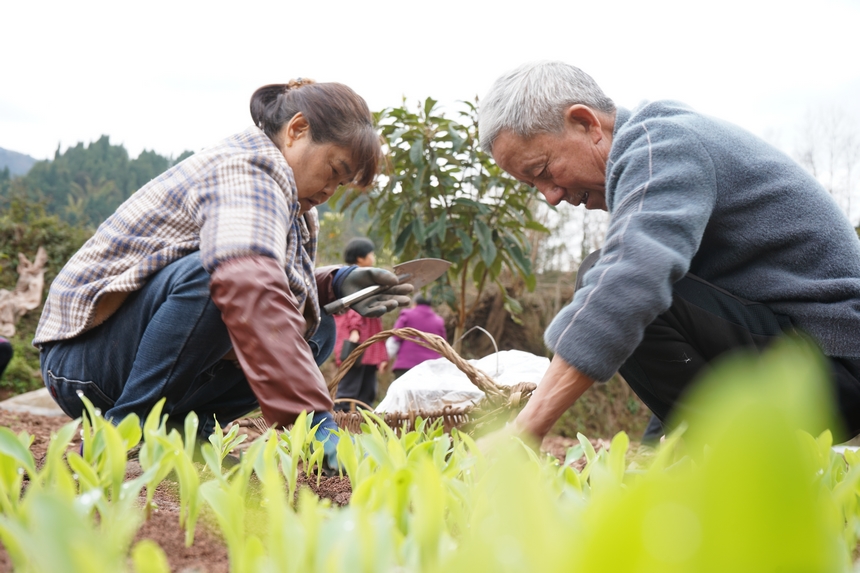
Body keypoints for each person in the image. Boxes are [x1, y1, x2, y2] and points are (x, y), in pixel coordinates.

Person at [34, 79, 412, 466]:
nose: (332, 188)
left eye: (342, 183)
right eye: (334, 169)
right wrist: (314, 419)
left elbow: (272, 281)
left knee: (317, 326)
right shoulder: (248, 168)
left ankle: (184, 431)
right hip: (81, 362)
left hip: (126, 355)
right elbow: (246, 281)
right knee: (214, 278)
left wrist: (333, 283)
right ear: (297, 130)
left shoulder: (293, 203)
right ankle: (126, 430)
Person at [478, 61, 860, 444]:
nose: (551, 196)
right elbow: (690, 344)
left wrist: (525, 429)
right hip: (808, 357)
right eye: (534, 185)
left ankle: (744, 462)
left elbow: (633, 284)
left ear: (587, 123)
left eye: (543, 170)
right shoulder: (658, 153)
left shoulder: (662, 146)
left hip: (833, 365)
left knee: (610, 277)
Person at [332, 238, 389, 410]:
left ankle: (362, 428)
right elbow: (353, 307)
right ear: (360, 258)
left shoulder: (366, 278)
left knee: (367, 390)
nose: (373, 257)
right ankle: (339, 426)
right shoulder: (352, 276)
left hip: (368, 343)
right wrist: (354, 331)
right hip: (358, 339)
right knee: (348, 388)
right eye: (370, 254)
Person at [388, 294, 447, 379]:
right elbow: (443, 347)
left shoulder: (407, 315)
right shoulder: (439, 321)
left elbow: (395, 339)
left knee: (403, 392)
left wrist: (386, 359)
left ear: (415, 304)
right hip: (431, 369)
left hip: (406, 367)